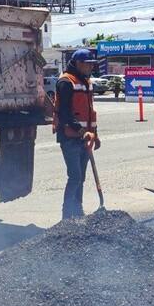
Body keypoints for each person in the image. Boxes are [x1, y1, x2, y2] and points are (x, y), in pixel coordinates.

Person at [53, 48, 100, 219]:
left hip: (85, 137)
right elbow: (65, 113)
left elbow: (90, 112)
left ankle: (77, 211)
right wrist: (81, 131)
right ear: (79, 63)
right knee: (75, 176)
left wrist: (95, 134)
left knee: (81, 177)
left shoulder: (86, 82)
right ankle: (67, 214)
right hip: (69, 137)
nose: (91, 68)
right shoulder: (66, 82)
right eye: (88, 65)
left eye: (92, 65)